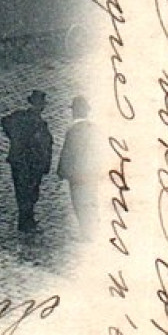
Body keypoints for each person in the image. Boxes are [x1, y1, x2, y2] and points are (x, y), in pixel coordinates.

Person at [4, 90, 54, 234]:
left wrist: (14, 140)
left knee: (22, 192)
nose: (41, 107)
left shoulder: (18, 116)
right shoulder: (38, 123)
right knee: (30, 193)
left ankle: (25, 221)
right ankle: (27, 224)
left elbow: (5, 122)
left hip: (18, 161)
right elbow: (42, 145)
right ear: (40, 106)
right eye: (40, 104)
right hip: (31, 163)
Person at [56, 96, 96, 236]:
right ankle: (92, 228)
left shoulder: (72, 130)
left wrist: (61, 170)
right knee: (91, 199)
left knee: (78, 201)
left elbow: (67, 151)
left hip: (77, 174)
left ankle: (86, 230)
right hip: (92, 172)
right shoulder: (94, 128)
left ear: (75, 112)